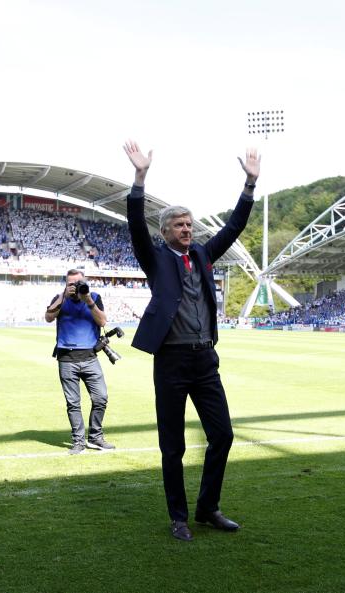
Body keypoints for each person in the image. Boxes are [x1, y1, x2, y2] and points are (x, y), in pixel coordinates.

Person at [123, 139, 259, 541]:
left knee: (223, 435)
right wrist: (140, 178)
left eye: (189, 225)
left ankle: (207, 508)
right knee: (173, 446)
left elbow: (234, 226)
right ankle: (179, 517)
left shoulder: (201, 255)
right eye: (179, 226)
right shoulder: (156, 258)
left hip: (205, 362)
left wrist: (249, 185)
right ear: (166, 232)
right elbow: (134, 224)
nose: (187, 230)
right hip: (170, 362)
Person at [45, 269, 114, 455]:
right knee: (73, 403)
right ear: (66, 284)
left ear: (85, 282)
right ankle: (78, 441)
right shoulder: (60, 298)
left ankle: (95, 437)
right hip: (67, 358)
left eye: (78, 283)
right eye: (70, 283)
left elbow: (102, 322)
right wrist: (63, 296)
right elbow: (48, 317)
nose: (75, 286)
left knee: (101, 397)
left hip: (90, 357)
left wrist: (89, 301)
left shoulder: (94, 297)